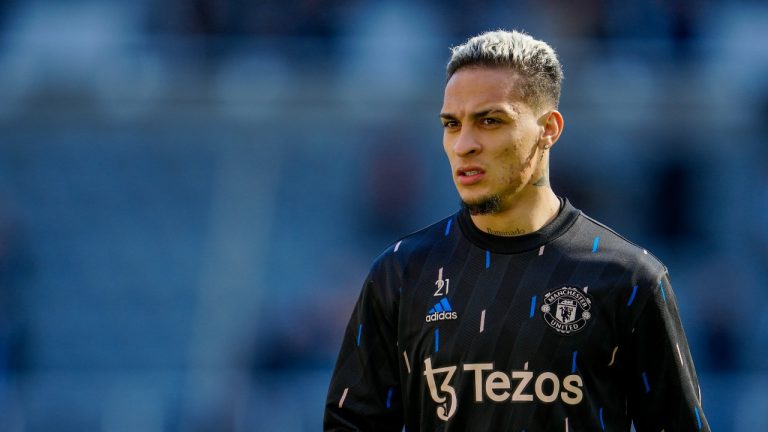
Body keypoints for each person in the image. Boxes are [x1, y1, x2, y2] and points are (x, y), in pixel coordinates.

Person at [324, 30, 709, 431]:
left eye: (490, 121)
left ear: (549, 130)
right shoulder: (401, 274)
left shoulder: (630, 278)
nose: (464, 145)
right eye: (452, 124)